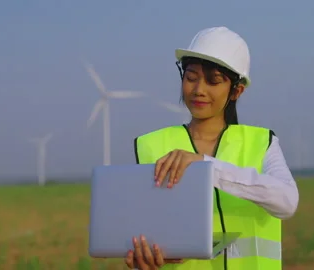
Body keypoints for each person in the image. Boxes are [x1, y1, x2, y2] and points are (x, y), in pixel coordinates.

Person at [124, 26, 299, 270]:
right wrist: (144, 258)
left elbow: (287, 201)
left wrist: (207, 167)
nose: (198, 90)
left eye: (213, 80)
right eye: (191, 77)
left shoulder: (262, 142)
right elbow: (143, 231)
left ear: (236, 90)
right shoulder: (150, 146)